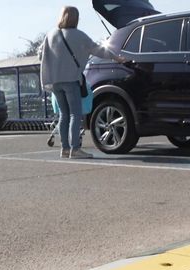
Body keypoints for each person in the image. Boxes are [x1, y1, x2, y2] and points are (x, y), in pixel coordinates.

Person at [40, 6, 125, 159]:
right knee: (75, 114)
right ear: (76, 18)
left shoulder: (51, 34)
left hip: (55, 82)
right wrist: (116, 58)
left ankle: (65, 149)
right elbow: (98, 50)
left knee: (64, 114)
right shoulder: (79, 36)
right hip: (71, 80)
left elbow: (41, 53)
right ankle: (75, 149)